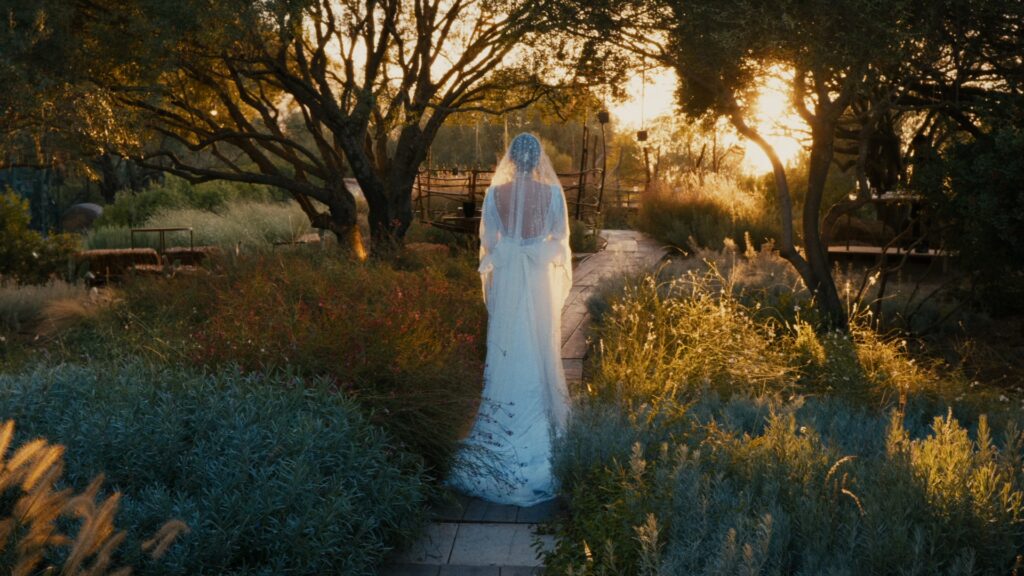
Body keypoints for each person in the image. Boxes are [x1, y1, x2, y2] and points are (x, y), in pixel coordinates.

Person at [447, 133, 572, 506]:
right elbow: (560, 240)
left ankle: (499, 423)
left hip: (510, 279)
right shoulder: (551, 194)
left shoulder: (494, 193)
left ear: (511, 159)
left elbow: (488, 241)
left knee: (506, 346)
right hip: (535, 278)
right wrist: (535, 250)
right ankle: (541, 421)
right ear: (538, 160)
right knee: (539, 342)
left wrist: (511, 252)